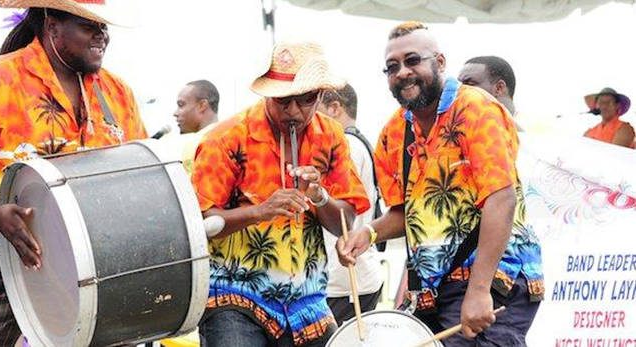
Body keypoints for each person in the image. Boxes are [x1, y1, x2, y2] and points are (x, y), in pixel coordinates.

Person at [0, 1, 147, 345]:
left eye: (104, 26)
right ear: (52, 24)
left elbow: (139, 176)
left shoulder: (117, 94)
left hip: (84, 266)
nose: (102, 35)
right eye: (89, 25)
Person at [338, 21, 544, 345]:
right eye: (392, 67)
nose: (402, 72)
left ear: (440, 62)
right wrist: (368, 233)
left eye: (412, 60)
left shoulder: (476, 109)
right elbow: (407, 214)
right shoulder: (393, 133)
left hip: (492, 281)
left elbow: (501, 199)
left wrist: (478, 291)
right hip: (436, 290)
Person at [192, 40, 370, 347]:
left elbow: (346, 219)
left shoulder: (331, 136)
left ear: (321, 96)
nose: (293, 111)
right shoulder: (226, 139)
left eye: (305, 100)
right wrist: (260, 211)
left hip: (307, 301)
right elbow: (200, 223)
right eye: (282, 101)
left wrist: (319, 195)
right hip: (236, 295)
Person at [317, 83, 383, 326]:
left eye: (315, 107)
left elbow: (345, 214)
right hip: (355, 275)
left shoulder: (345, 145)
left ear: (334, 108)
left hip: (344, 282)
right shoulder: (360, 142)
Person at [173, 79, 220, 173]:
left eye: (181, 105)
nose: (175, 113)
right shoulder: (233, 137)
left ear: (202, 106)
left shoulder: (195, 144)